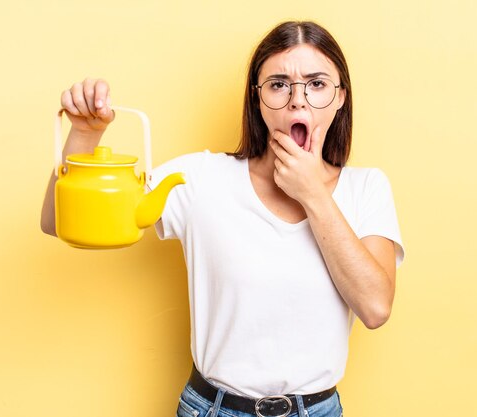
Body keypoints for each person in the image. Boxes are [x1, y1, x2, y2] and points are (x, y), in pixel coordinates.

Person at [41, 20, 404, 417]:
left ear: (340, 98)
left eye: (316, 84)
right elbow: (59, 220)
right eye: (279, 84)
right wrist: (84, 135)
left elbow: (375, 308)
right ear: (257, 99)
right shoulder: (202, 179)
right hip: (212, 409)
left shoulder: (367, 188)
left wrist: (313, 194)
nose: (297, 100)